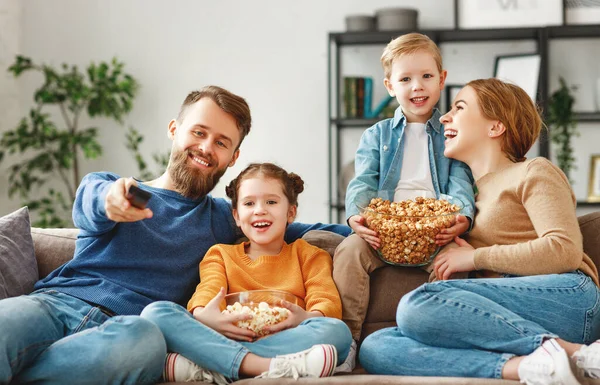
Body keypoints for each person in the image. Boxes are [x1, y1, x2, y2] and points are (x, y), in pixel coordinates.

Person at [0, 86, 351, 385]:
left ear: (233, 157)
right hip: (53, 304)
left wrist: (361, 225)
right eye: (198, 133)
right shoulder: (117, 189)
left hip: (127, 331)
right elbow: (91, 203)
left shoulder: (226, 219)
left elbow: (309, 231)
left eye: (221, 142)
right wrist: (111, 201)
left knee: (144, 341)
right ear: (174, 129)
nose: (205, 147)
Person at [358, 78, 600, 385]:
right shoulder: (463, 205)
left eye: (459, 107)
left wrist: (474, 258)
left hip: (566, 298)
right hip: (498, 315)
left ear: (495, 127)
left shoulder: (533, 171)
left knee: (417, 304)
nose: (444, 117)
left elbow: (564, 250)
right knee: (377, 347)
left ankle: (574, 352)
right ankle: (530, 366)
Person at [332, 32, 476, 359]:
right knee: (349, 252)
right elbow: (363, 180)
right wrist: (357, 214)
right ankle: (347, 343)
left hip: (436, 227)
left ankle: (439, 340)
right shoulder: (377, 135)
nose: (417, 86)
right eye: (406, 79)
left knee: (457, 263)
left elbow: (460, 180)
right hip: (385, 230)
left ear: (441, 80)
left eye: (426, 76)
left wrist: (462, 218)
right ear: (390, 86)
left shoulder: (452, 133)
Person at [141, 162, 353, 383]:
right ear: (237, 216)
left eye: (271, 202)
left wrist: (306, 317)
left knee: (338, 332)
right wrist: (205, 314)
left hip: (287, 336)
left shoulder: (309, 255)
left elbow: (326, 300)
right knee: (156, 313)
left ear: (291, 212)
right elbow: (208, 291)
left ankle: (211, 365)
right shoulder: (221, 254)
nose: (260, 209)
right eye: (249, 203)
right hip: (227, 335)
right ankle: (264, 366)